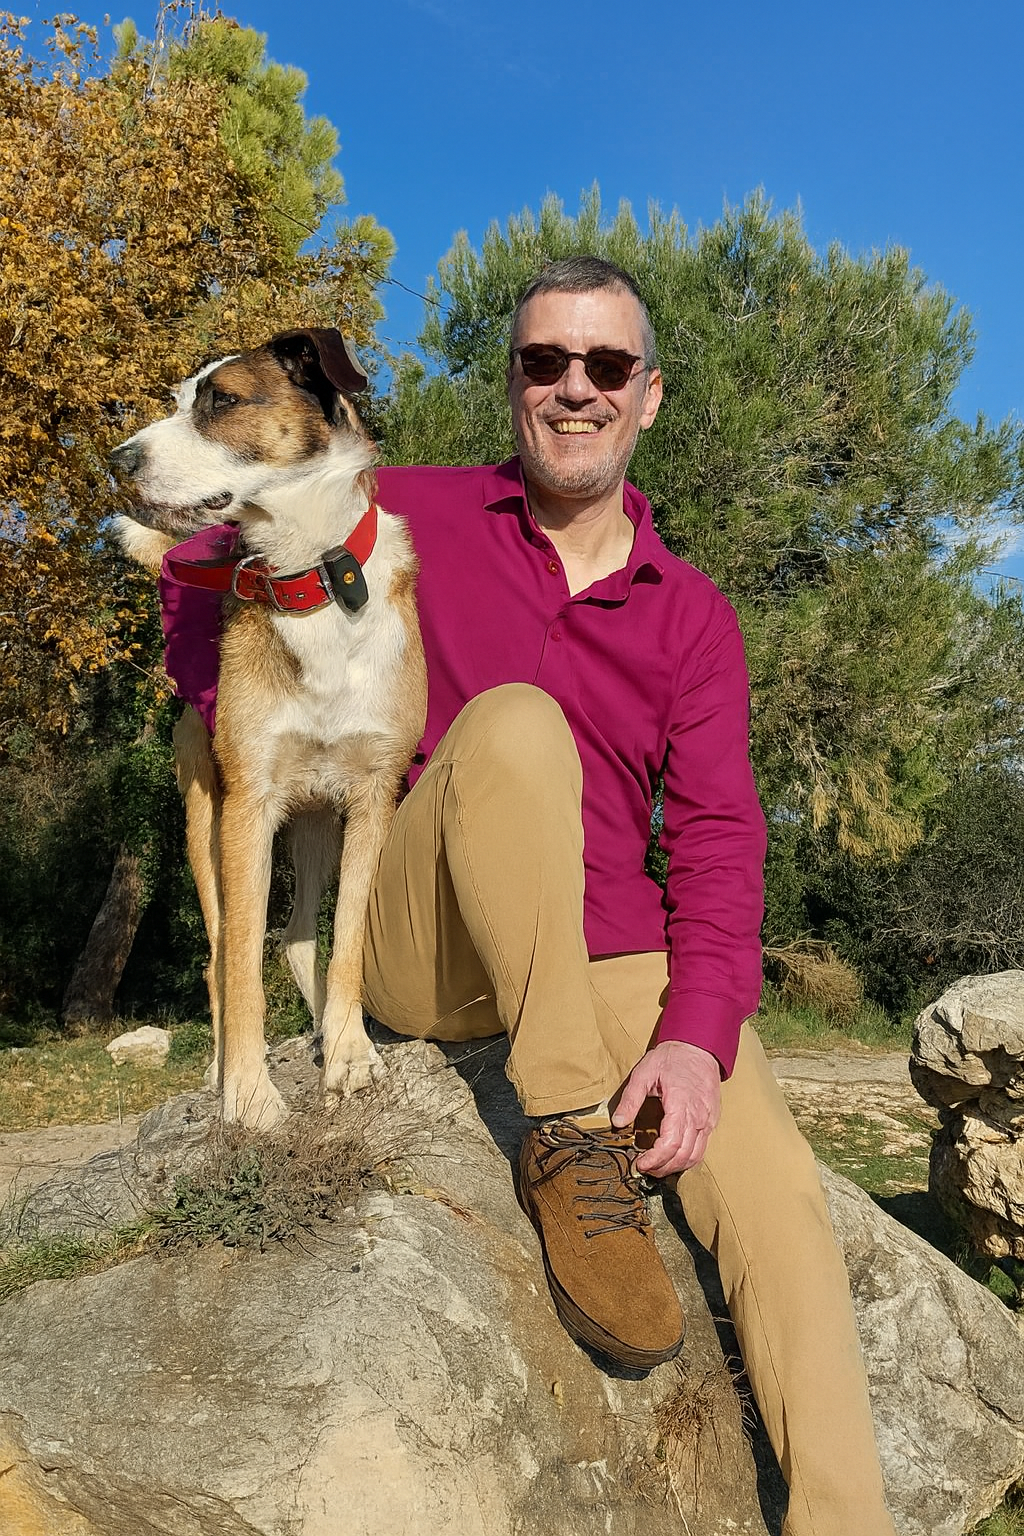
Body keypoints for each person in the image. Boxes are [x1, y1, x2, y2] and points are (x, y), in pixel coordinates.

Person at [160, 258, 897, 1536]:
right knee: (511, 724)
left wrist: (695, 1037)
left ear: (648, 395)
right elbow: (202, 561)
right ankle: (565, 1133)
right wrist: (229, 705)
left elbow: (720, 842)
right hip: (429, 929)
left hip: (612, 952)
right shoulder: (414, 511)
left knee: (779, 1202)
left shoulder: (693, 618)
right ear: (512, 384)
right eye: (544, 362)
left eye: (605, 366)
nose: (574, 388)